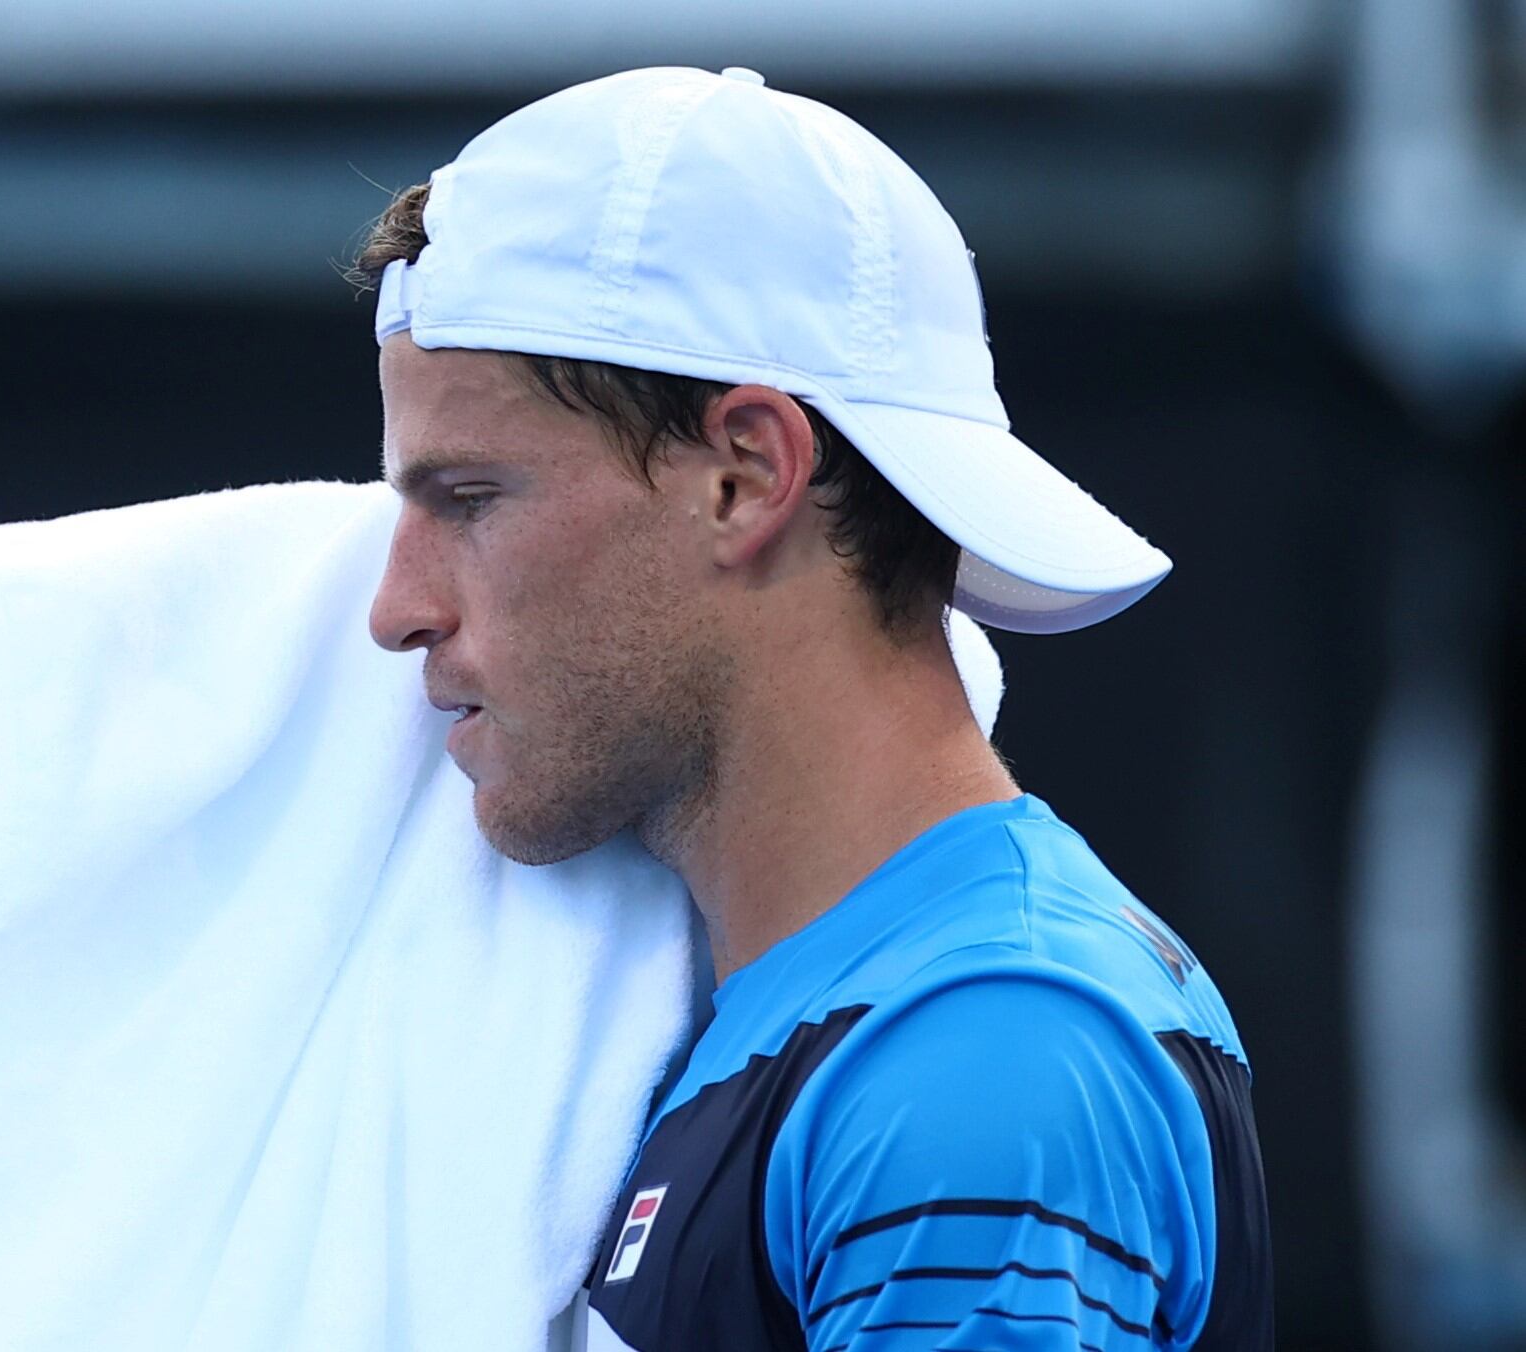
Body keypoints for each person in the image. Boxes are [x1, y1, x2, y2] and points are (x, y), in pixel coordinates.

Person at [357, 67, 1271, 1350]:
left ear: (746, 475)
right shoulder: (835, 1009)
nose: (395, 607)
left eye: (469, 497)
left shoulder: (983, 1041)